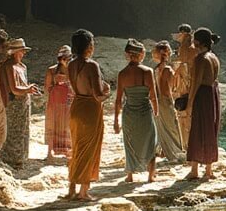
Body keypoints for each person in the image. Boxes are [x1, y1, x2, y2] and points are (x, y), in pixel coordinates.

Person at [66, 29, 110, 201]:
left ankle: (71, 188)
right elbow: (98, 94)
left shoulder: (71, 64)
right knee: (89, 149)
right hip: (90, 109)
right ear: (89, 46)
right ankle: (83, 191)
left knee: (76, 148)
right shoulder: (92, 65)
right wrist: (108, 93)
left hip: (76, 106)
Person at [114, 39, 159, 184]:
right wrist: (157, 111)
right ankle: (151, 175)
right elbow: (153, 95)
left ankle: (130, 175)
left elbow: (118, 99)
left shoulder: (122, 74)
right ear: (141, 55)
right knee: (151, 141)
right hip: (145, 112)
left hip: (129, 113)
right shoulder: (147, 72)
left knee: (129, 142)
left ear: (127, 55)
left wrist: (116, 119)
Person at [185, 27, 221, 181]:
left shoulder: (200, 59)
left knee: (197, 130)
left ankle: (194, 170)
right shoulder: (214, 57)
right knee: (210, 129)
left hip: (203, 95)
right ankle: (208, 169)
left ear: (198, 42)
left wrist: (189, 103)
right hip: (213, 93)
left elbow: (196, 82)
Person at [0, 38, 41, 167]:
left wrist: (29, 89)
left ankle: (21, 157)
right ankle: (13, 159)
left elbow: (22, 86)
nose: (23, 54)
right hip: (14, 103)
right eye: (21, 51)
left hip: (23, 102)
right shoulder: (9, 66)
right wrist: (28, 89)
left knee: (23, 130)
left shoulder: (22, 67)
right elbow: (14, 89)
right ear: (15, 52)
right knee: (14, 131)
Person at [152, 40, 186, 163]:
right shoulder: (167, 70)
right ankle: (175, 153)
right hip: (165, 100)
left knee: (162, 127)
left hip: (156, 100)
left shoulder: (155, 69)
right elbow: (167, 90)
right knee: (172, 127)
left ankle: (165, 151)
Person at [44, 45, 74, 161]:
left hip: (68, 102)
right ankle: (49, 152)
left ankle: (67, 150)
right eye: (65, 58)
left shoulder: (72, 70)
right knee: (52, 125)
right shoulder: (52, 70)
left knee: (67, 126)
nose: (67, 60)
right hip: (55, 103)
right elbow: (47, 87)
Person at [172, 24, 196, 146]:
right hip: (184, 88)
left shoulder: (189, 50)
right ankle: (185, 145)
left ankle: (187, 146)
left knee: (186, 117)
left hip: (186, 88)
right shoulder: (190, 49)